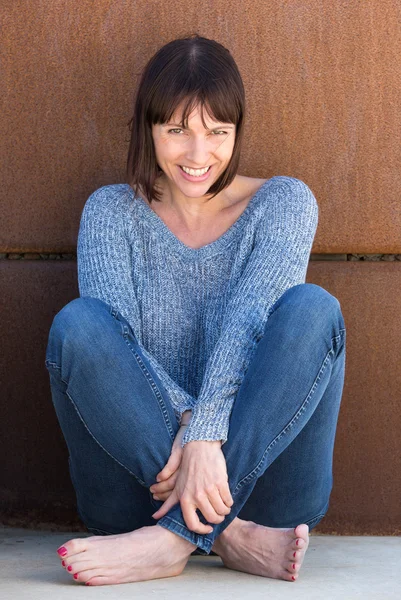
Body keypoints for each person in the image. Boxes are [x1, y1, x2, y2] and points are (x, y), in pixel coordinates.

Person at [45, 34, 346, 587]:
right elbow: (119, 350)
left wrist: (207, 433)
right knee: (80, 327)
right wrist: (192, 431)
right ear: (148, 127)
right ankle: (222, 535)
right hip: (138, 496)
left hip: (268, 494)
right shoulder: (112, 213)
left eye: (217, 132)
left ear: (238, 132)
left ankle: (171, 543)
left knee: (313, 311)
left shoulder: (283, 204)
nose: (198, 155)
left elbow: (250, 324)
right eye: (177, 130)